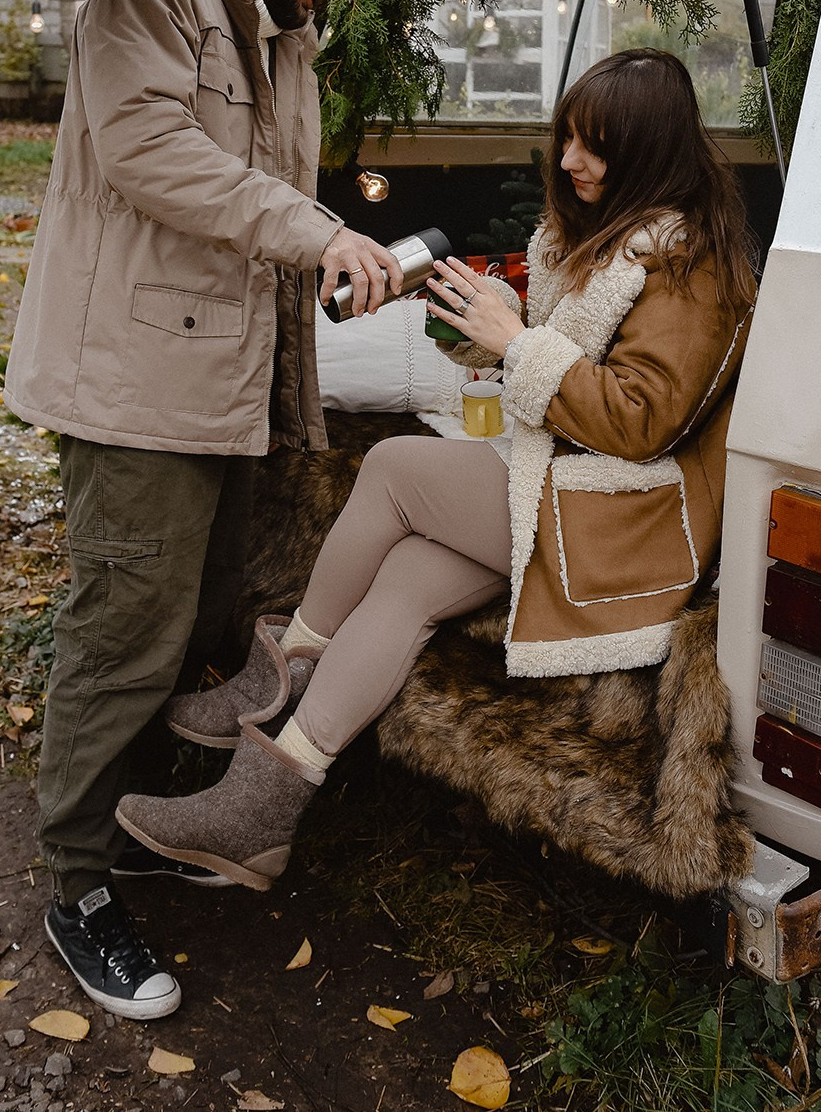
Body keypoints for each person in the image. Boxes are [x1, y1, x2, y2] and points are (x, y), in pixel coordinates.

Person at [114, 49, 758, 889]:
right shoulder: (605, 244)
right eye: (566, 137)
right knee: (410, 578)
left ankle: (276, 673)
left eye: (595, 146)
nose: (568, 161)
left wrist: (515, 342)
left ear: (651, 150)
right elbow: (567, 367)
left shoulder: (685, 262)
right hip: (563, 480)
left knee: (392, 467)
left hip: (625, 517)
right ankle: (259, 810)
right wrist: (471, 326)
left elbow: (638, 422)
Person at [3, 0, 403, 1019]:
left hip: (219, 390)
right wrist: (317, 230)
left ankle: (128, 826)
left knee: (194, 630)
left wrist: (333, 278)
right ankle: (75, 888)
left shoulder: (283, 39)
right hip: (132, 389)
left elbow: (258, 209)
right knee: (122, 632)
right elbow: (156, 158)